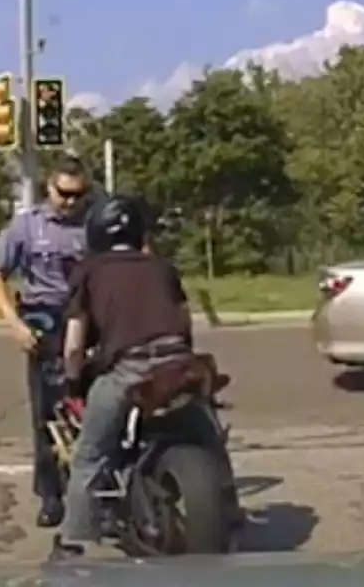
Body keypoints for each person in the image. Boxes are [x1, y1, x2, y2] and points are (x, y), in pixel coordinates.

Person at [50, 195, 231, 560]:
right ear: (138, 232)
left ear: (95, 232)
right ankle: (231, 509)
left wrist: (72, 380)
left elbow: (73, 345)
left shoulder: (88, 271)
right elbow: (184, 321)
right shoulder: (162, 267)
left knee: (89, 457)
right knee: (211, 437)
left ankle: (73, 542)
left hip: (127, 372)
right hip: (179, 369)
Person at [0, 156, 92, 528]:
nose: (72, 202)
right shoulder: (27, 226)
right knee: (48, 413)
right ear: (49, 188)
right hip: (44, 318)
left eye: (79, 194)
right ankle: (51, 495)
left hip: (89, 318)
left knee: (93, 407)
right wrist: (13, 323)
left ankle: (96, 490)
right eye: (64, 194)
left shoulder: (95, 224)